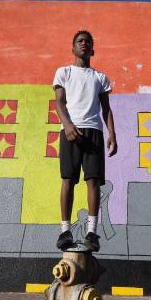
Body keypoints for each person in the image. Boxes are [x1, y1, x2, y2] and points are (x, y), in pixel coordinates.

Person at [53, 30, 117, 252]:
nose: (84, 44)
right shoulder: (64, 72)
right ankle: (65, 231)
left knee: (93, 181)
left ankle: (92, 233)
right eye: (80, 41)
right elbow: (59, 103)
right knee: (68, 179)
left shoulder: (100, 78)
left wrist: (112, 134)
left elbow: (106, 109)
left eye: (88, 42)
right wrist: (68, 125)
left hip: (94, 133)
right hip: (70, 131)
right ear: (73, 48)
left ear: (93, 50)